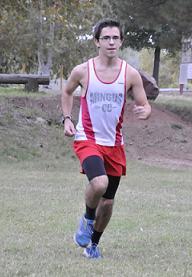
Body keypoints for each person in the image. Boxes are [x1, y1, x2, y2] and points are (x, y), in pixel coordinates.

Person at [61, 19, 151, 259]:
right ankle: (87, 219)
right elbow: (67, 91)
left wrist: (145, 111)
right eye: (106, 38)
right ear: (97, 42)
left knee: (108, 203)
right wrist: (67, 119)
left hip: (115, 144)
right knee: (99, 184)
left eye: (115, 38)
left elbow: (144, 104)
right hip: (87, 138)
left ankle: (93, 245)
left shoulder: (130, 74)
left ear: (121, 41)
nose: (111, 42)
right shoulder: (83, 70)